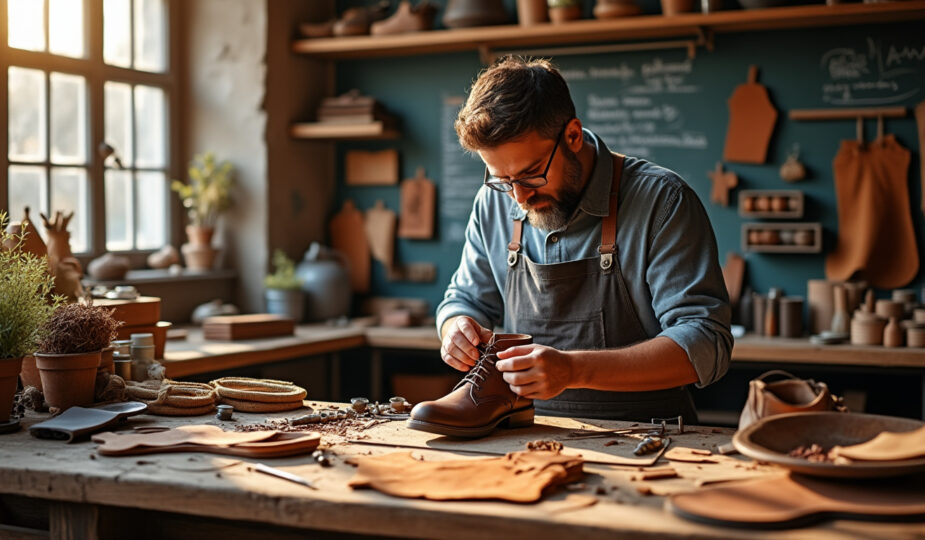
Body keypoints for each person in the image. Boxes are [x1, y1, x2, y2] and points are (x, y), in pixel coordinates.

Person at [435, 57, 732, 423]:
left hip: (649, 440)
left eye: (531, 175)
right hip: (524, 434)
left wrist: (574, 370)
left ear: (573, 135)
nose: (519, 197)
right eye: (502, 179)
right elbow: (465, 299)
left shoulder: (662, 201)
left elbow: (706, 341)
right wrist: (455, 327)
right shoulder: (494, 202)